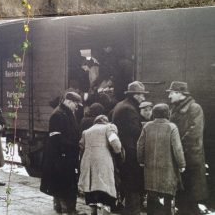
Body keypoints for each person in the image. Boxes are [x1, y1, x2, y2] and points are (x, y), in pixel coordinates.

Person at [166, 81, 208, 215]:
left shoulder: (195, 108)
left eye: (172, 93)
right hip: (180, 155)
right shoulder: (175, 108)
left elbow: (194, 132)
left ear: (180, 93)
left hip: (190, 156)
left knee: (191, 194)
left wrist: (178, 145)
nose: (170, 96)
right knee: (182, 194)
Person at [137, 103, 186, 215]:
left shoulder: (147, 126)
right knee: (167, 196)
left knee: (151, 194)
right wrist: (181, 164)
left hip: (150, 168)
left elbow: (140, 145)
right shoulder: (172, 127)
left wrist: (140, 160)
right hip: (167, 168)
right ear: (167, 113)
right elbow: (177, 148)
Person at [40, 91, 83, 215]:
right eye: (76, 104)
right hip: (61, 156)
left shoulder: (66, 112)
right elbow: (56, 138)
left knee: (62, 183)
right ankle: (68, 210)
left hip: (65, 155)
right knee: (64, 183)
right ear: (69, 102)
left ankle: (60, 208)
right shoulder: (58, 114)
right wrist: (75, 145)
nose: (77, 107)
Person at [112, 81, 148, 215]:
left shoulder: (121, 105)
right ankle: (132, 211)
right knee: (133, 183)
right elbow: (136, 132)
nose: (143, 98)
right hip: (131, 153)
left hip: (123, 151)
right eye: (142, 95)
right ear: (135, 95)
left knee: (127, 183)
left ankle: (129, 209)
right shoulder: (130, 109)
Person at [78, 115, 122, 215]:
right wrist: (118, 154)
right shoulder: (108, 127)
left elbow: (81, 146)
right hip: (103, 162)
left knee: (92, 189)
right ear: (105, 121)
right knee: (105, 190)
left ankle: (93, 213)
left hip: (88, 162)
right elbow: (116, 145)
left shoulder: (86, 131)